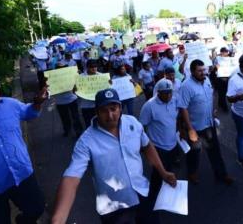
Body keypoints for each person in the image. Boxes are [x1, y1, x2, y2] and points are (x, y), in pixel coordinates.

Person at [51, 88, 176, 224]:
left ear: (120, 108)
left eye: (113, 108)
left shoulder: (132, 123)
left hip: (143, 193)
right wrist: (58, 218)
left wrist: (162, 172)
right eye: (104, 110)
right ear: (96, 112)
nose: (110, 115)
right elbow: (71, 178)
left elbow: (146, 146)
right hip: (114, 208)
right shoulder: (86, 141)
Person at [0, 84, 48, 224]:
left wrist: (37, 103)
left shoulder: (10, 104)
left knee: (37, 208)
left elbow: (29, 112)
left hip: (21, 172)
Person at [177, 59, 233, 185]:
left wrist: (212, 110)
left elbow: (211, 96)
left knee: (215, 151)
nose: (203, 73)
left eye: (204, 70)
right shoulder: (186, 86)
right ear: (192, 71)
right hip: (195, 127)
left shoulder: (207, 80)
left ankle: (221, 174)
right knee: (194, 153)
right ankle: (192, 173)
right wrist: (190, 129)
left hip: (209, 123)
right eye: (199, 71)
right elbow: (183, 107)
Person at [139, 79, 179, 223]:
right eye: (165, 93)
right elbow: (141, 127)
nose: (168, 95)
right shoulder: (149, 106)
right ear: (158, 92)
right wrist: (144, 147)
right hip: (158, 148)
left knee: (168, 169)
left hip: (173, 145)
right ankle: (153, 203)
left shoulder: (174, 101)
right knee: (157, 176)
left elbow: (176, 118)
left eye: (170, 92)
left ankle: (166, 195)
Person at [52, 53, 83, 138]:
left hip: (71, 99)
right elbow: (51, 90)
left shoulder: (70, 76)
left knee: (75, 116)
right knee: (65, 118)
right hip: (60, 102)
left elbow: (77, 87)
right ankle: (67, 130)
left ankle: (78, 131)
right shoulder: (53, 78)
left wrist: (77, 75)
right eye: (59, 68)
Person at [78, 60, 99, 128]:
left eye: (95, 66)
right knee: (88, 123)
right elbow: (76, 93)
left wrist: (109, 84)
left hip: (97, 105)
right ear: (87, 67)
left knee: (99, 122)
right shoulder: (80, 77)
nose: (94, 68)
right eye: (91, 67)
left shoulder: (101, 76)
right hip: (85, 105)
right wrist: (75, 90)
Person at [215, 47, 232, 112]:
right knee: (222, 92)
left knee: (224, 92)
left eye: (227, 51)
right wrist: (216, 67)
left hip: (227, 76)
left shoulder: (230, 59)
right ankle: (224, 107)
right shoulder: (217, 58)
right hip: (220, 77)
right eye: (224, 52)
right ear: (221, 52)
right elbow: (215, 66)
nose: (226, 53)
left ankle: (220, 103)